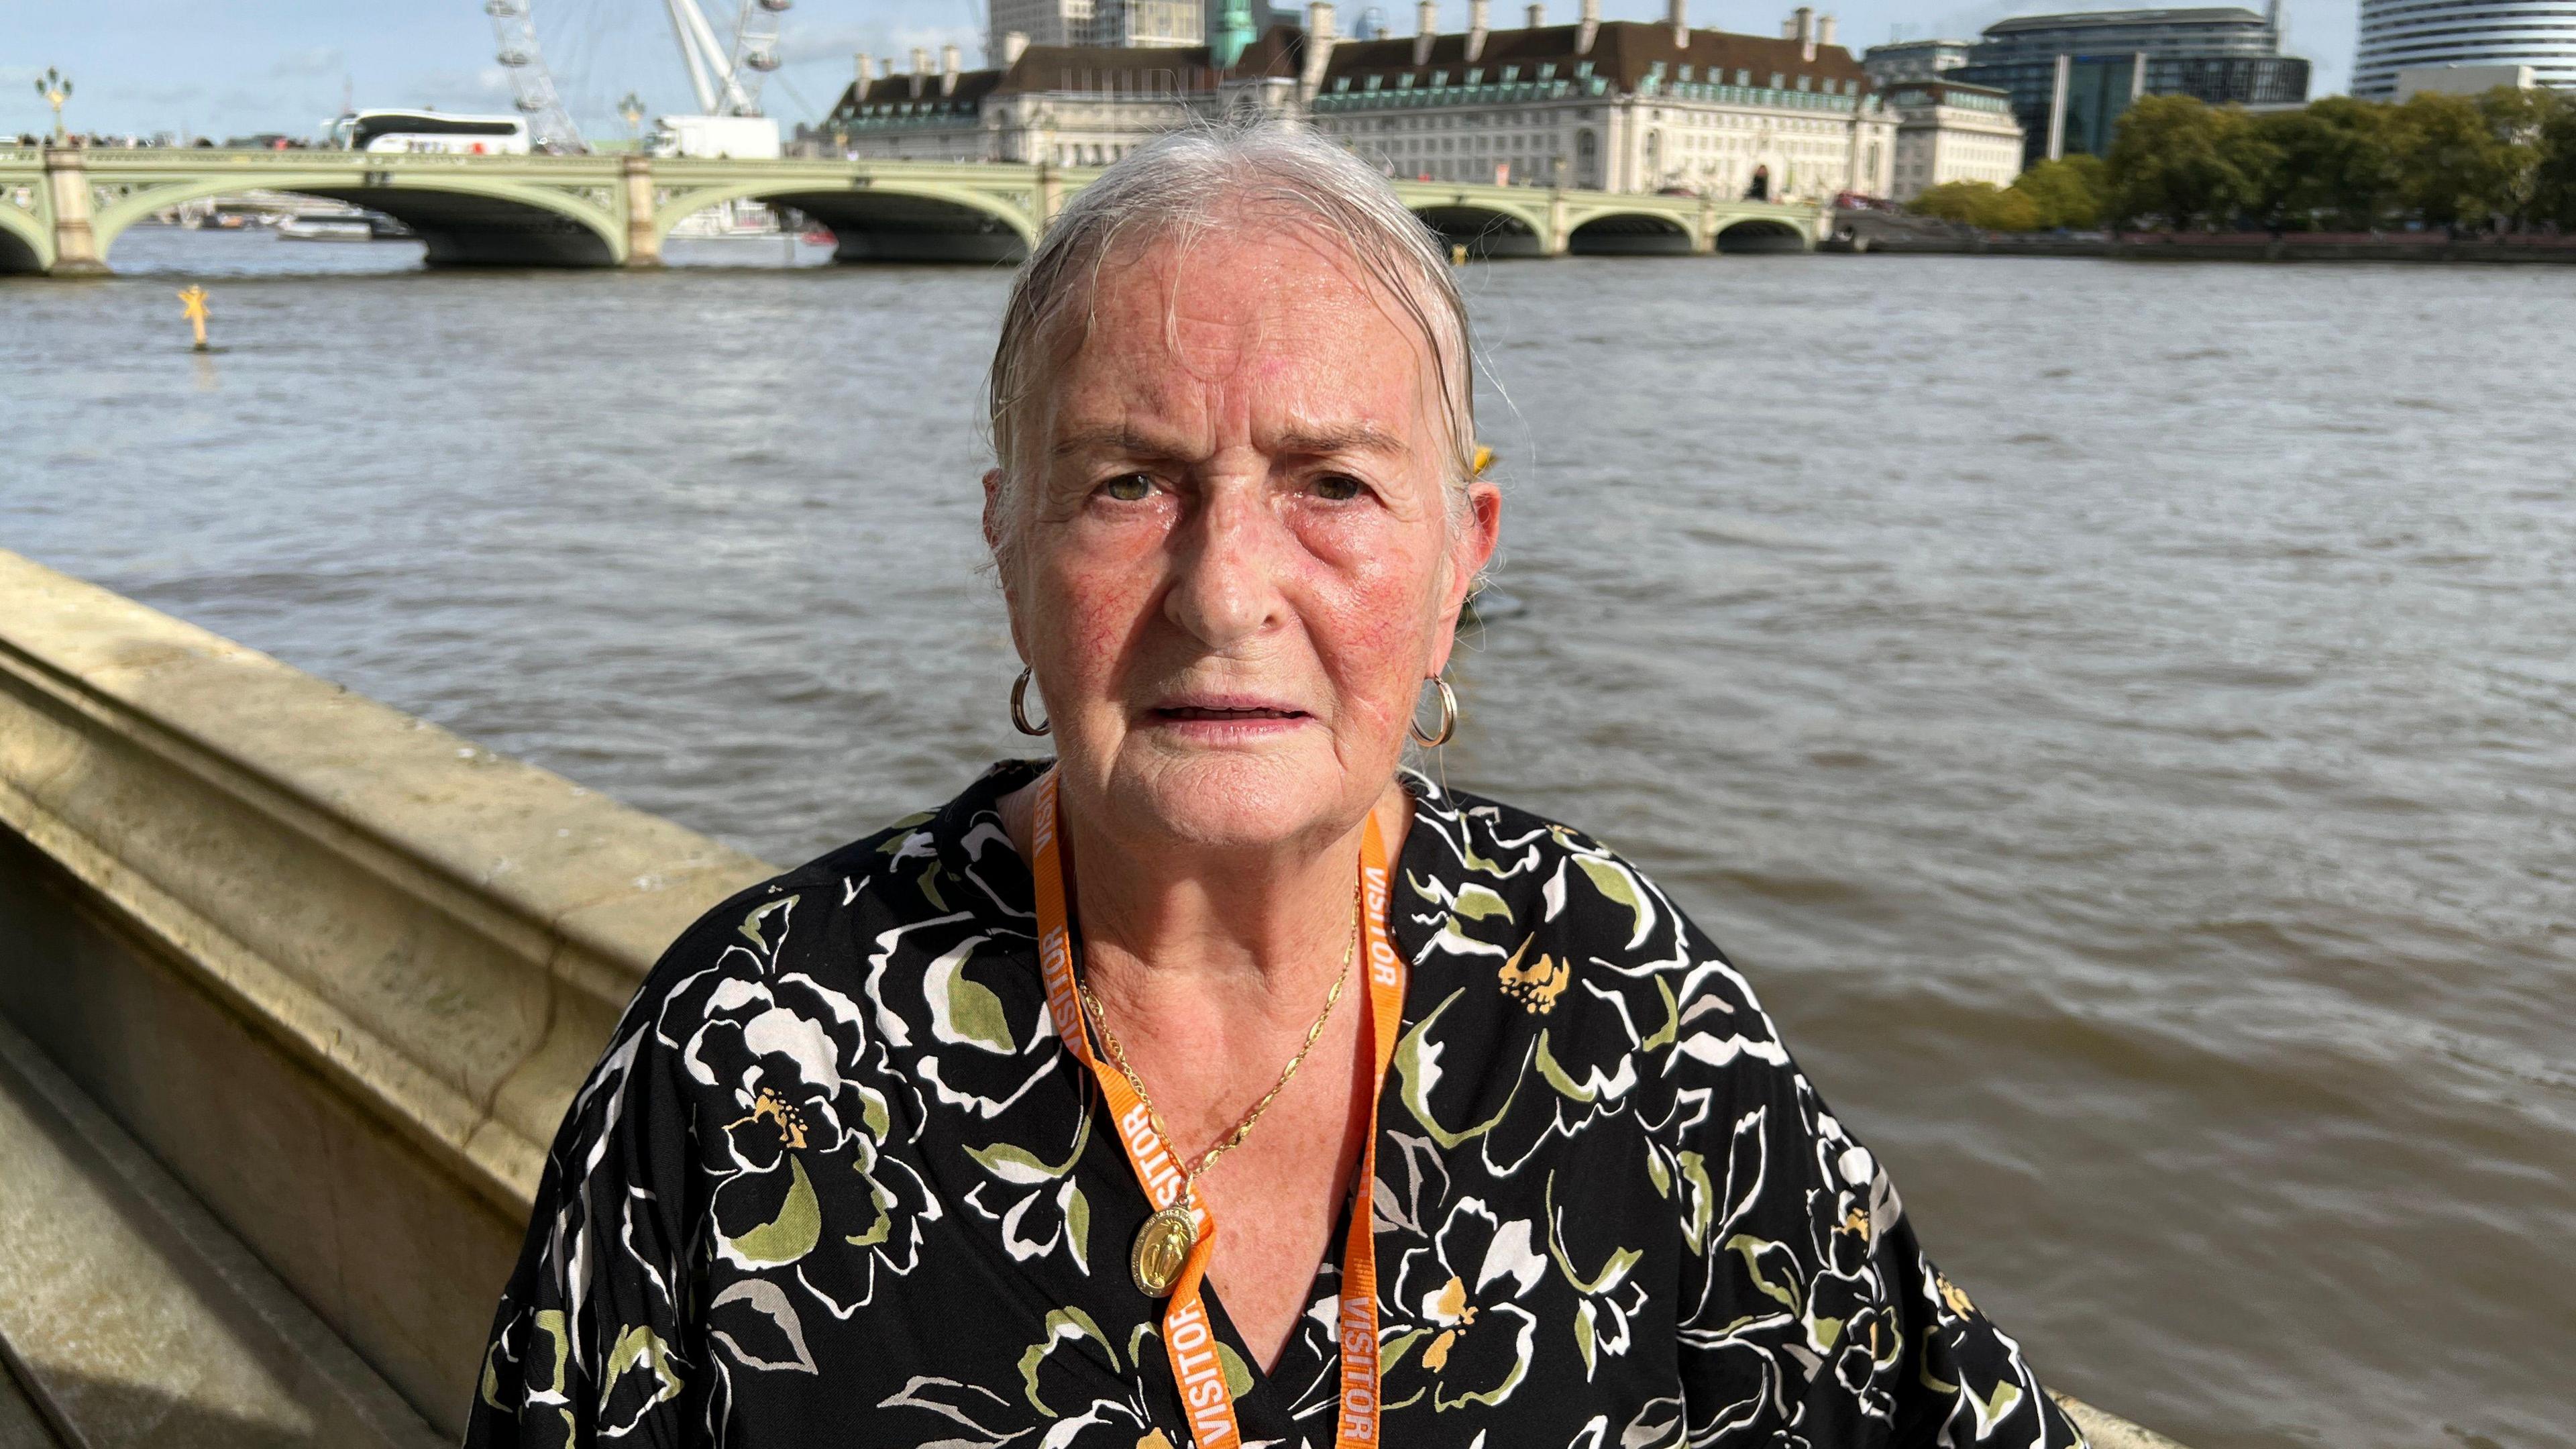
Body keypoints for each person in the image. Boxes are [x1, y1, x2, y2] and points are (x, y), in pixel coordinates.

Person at [464, 120, 2082, 1449]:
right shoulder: (748, 1053)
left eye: (1333, 485)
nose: (1226, 590)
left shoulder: (1625, 1000)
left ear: (1460, 566)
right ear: (1009, 554)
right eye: (1127, 482)